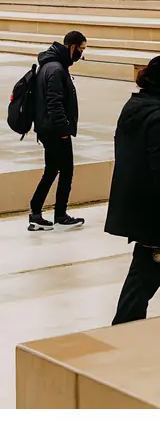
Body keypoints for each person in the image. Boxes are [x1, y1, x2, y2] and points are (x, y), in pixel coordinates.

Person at [106, 57, 160, 325]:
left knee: (142, 277)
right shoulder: (157, 115)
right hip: (154, 215)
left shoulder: (136, 105)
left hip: (140, 212)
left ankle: (123, 332)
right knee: (145, 272)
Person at [28, 31, 88, 232]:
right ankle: (59, 215)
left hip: (48, 129)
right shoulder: (55, 69)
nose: (81, 54)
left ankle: (37, 213)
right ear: (72, 47)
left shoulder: (51, 65)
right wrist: (63, 129)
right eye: (81, 49)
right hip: (55, 130)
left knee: (52, 170)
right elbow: (54, 103)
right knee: (66, 171)